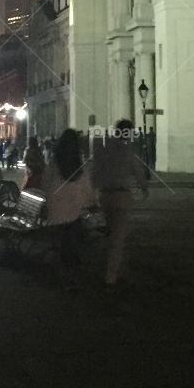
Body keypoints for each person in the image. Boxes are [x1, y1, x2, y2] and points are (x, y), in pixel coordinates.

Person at [92, 120, 148, 287]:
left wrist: (94, 190)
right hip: (121, 196)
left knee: (111, 233)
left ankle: (118, 270)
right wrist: (144, 187)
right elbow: (137, 171)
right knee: (118, 238)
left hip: (105, 195)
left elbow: (95, 171)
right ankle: (111, 277)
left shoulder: (103, 149)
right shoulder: (126, 151)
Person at [43, 129, 96, 290]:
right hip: (74, 211)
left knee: (60, 244)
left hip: (55, 210)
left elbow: (45, 183)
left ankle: (61, 275)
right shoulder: (78, 165)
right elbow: (86, 187)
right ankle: (69, 277)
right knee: (72, 245)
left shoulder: (54, 163)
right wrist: (92, 202)